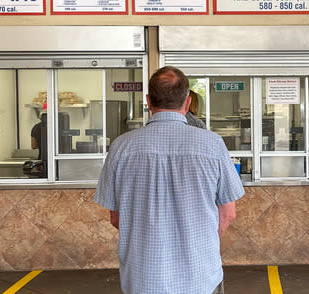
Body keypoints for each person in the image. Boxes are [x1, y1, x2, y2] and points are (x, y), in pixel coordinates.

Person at [95, 66, 245, 294]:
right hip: (201, 278)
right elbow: (228, 213)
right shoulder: (212, 145)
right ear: (187, 102)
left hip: (143, 279)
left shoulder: (121, 147)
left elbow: (117, 218)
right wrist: (198, 241)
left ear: (148, 101)